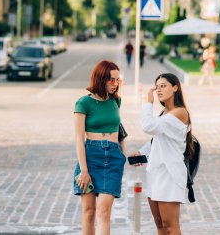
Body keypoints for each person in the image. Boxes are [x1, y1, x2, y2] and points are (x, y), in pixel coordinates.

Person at [129, 73, 193, 235]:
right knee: (160, 225)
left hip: (170, 174)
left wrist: (148, 103)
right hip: (155, 173)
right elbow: (157, 138)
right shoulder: (164, 113)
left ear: (175, 88)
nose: (158, 90)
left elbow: (148, 126)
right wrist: (141, 153)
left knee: (170, 226)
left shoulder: (180, 113)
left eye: (163, 86)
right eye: (157, 86)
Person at [73, 60, 127, 234]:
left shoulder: (115, 101)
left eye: (117, 80)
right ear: (100, 79)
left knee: (104, 211)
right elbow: (79, 139)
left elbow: (119, 130)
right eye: (111, 80)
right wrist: (84, 171)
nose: (115, 84)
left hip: (112, 159)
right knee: (89, 212)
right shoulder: (83, 103)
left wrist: (123, 154)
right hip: (90, 157)